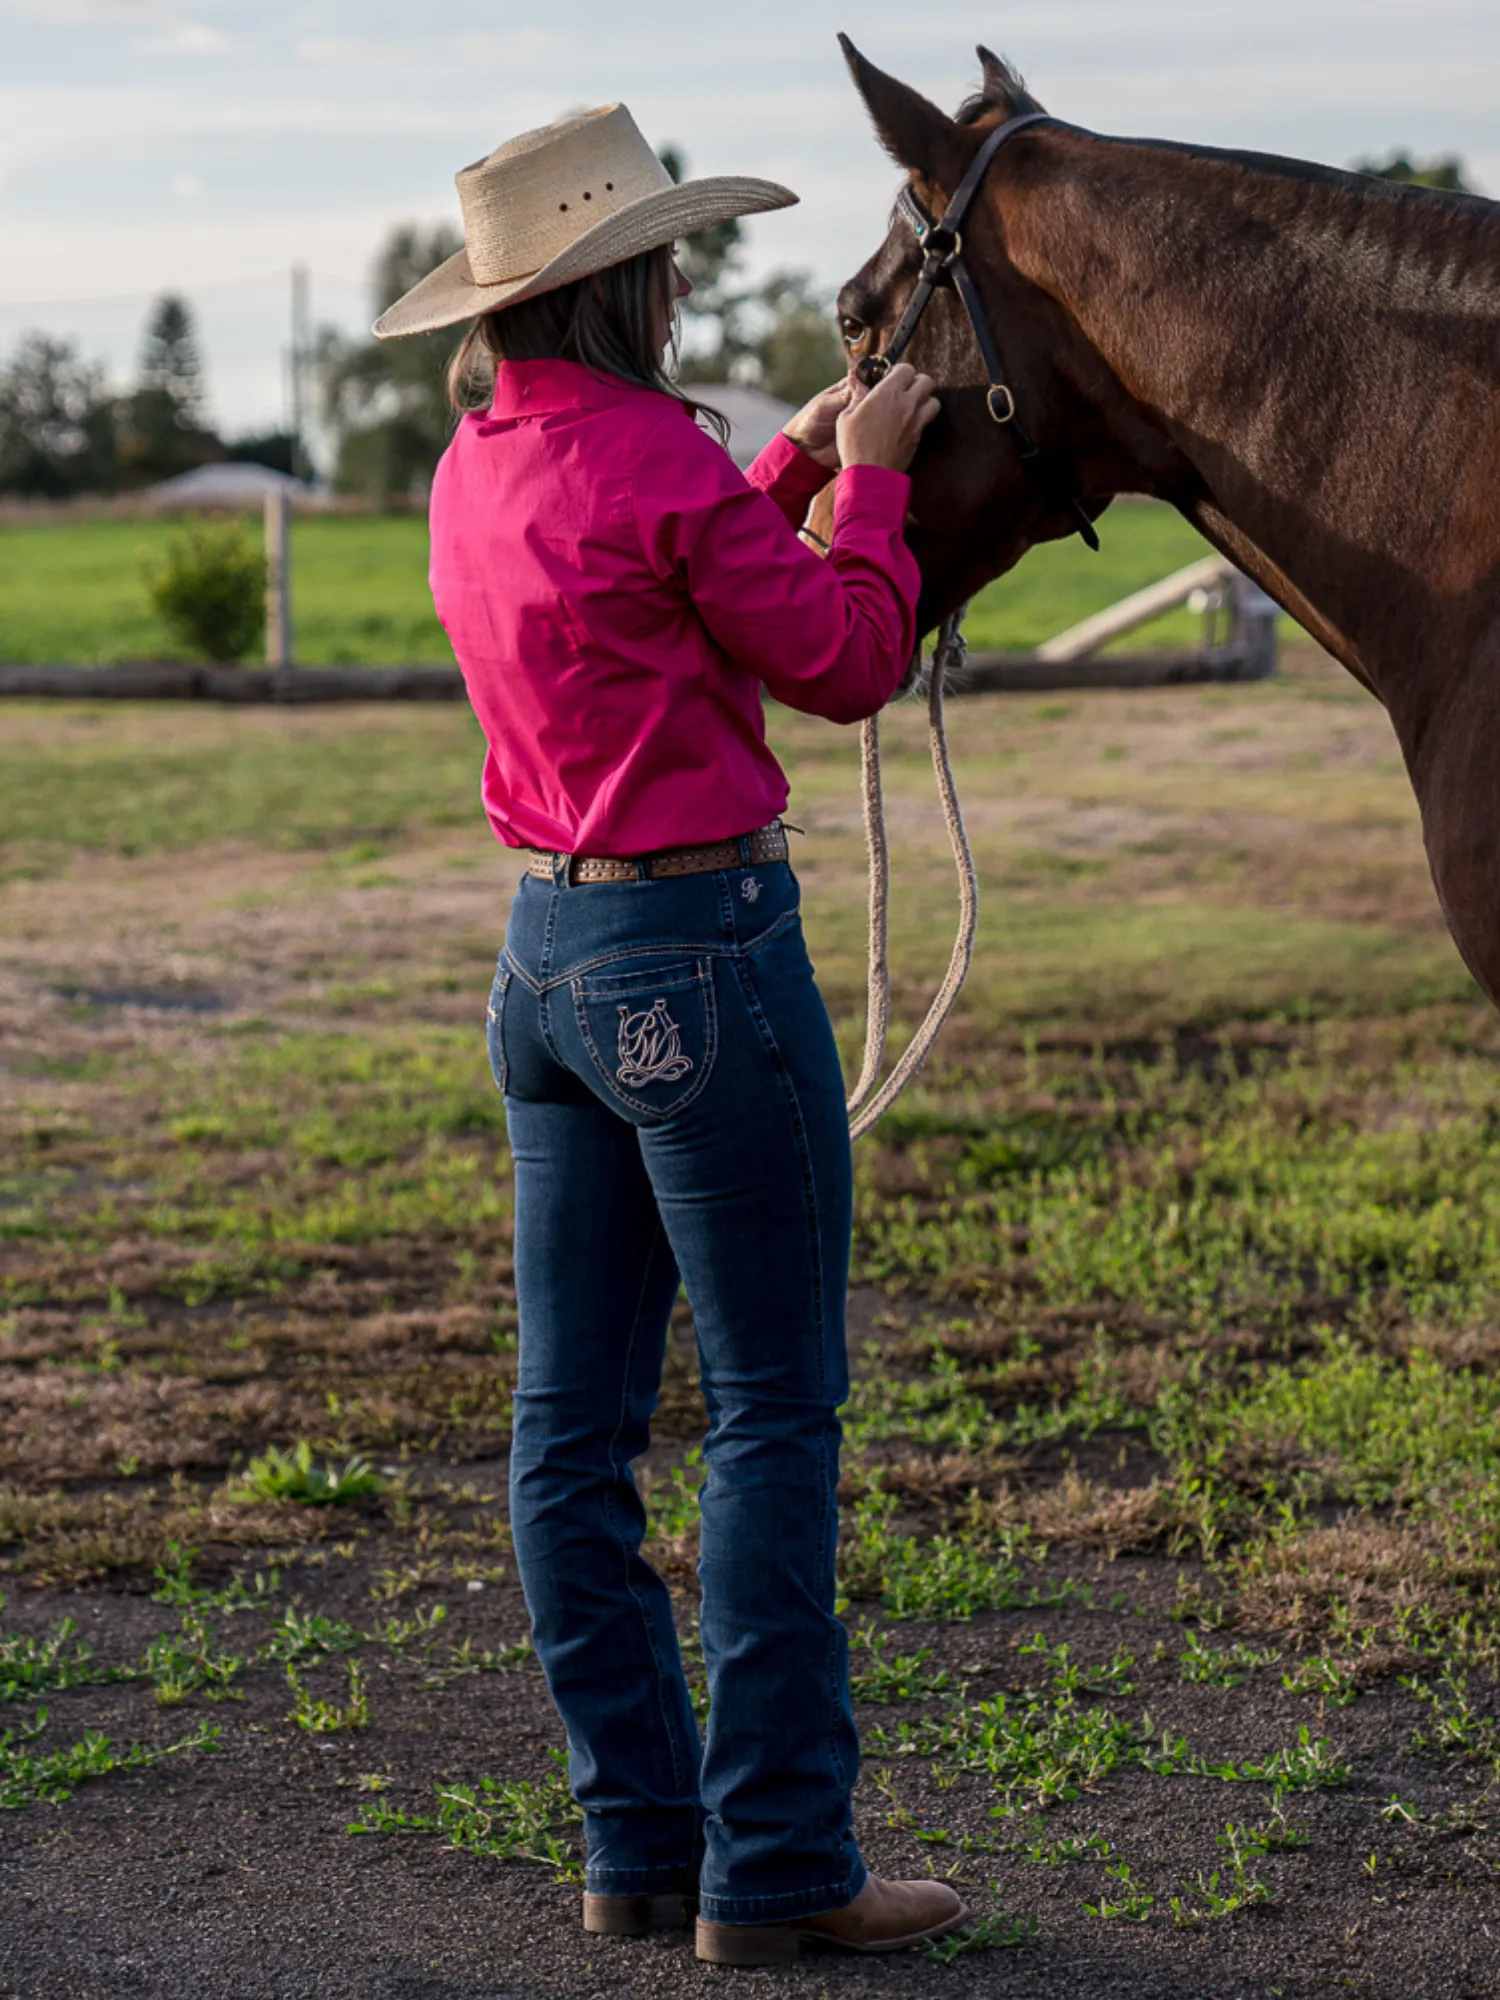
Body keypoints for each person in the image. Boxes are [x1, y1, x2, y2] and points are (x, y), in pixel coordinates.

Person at [375, 102, 964, 1968]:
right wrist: (870, 481)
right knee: (776, 1411)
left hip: (543, 962)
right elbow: (850, 654)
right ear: (632, 279)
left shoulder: (482, 463)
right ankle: (781, 1870)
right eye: (672, 251)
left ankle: (636, 1846)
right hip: (698, 956)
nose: (691, 272)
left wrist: (795, 446)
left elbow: (673, 575)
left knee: (572, 1433)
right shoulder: (658, 461)